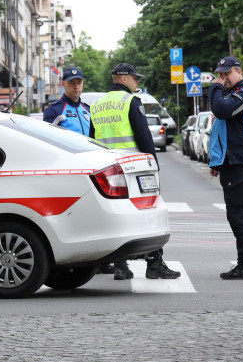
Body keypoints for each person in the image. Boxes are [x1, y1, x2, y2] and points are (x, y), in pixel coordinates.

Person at [88, 62, 180, 281]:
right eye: (134, 78)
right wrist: (153, 165)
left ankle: (121, 265)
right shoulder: (130, 101)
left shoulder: (97, 105)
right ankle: (155, 264)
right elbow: (144, 136)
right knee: (147, 214)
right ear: (122, 79)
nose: (137, 81)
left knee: (120, 215)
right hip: (133, 169)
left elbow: (91, 139)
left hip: (107, 170)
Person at [207, 56, 243, 280]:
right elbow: (221, 130)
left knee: (238, 214)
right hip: (235, 160)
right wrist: (216, 161)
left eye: (226, 74)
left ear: (238, 72)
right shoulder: (233, 94)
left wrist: (214, 87)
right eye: (220, 75)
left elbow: (222, 111)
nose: (223, 79)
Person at [42, 65, 94, 138]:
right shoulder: (53, 110)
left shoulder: (88, 110)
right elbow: (48, 140)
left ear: (83, 84)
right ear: (63, 84)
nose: (76, 86)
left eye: (79, 83)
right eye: (72, 83)